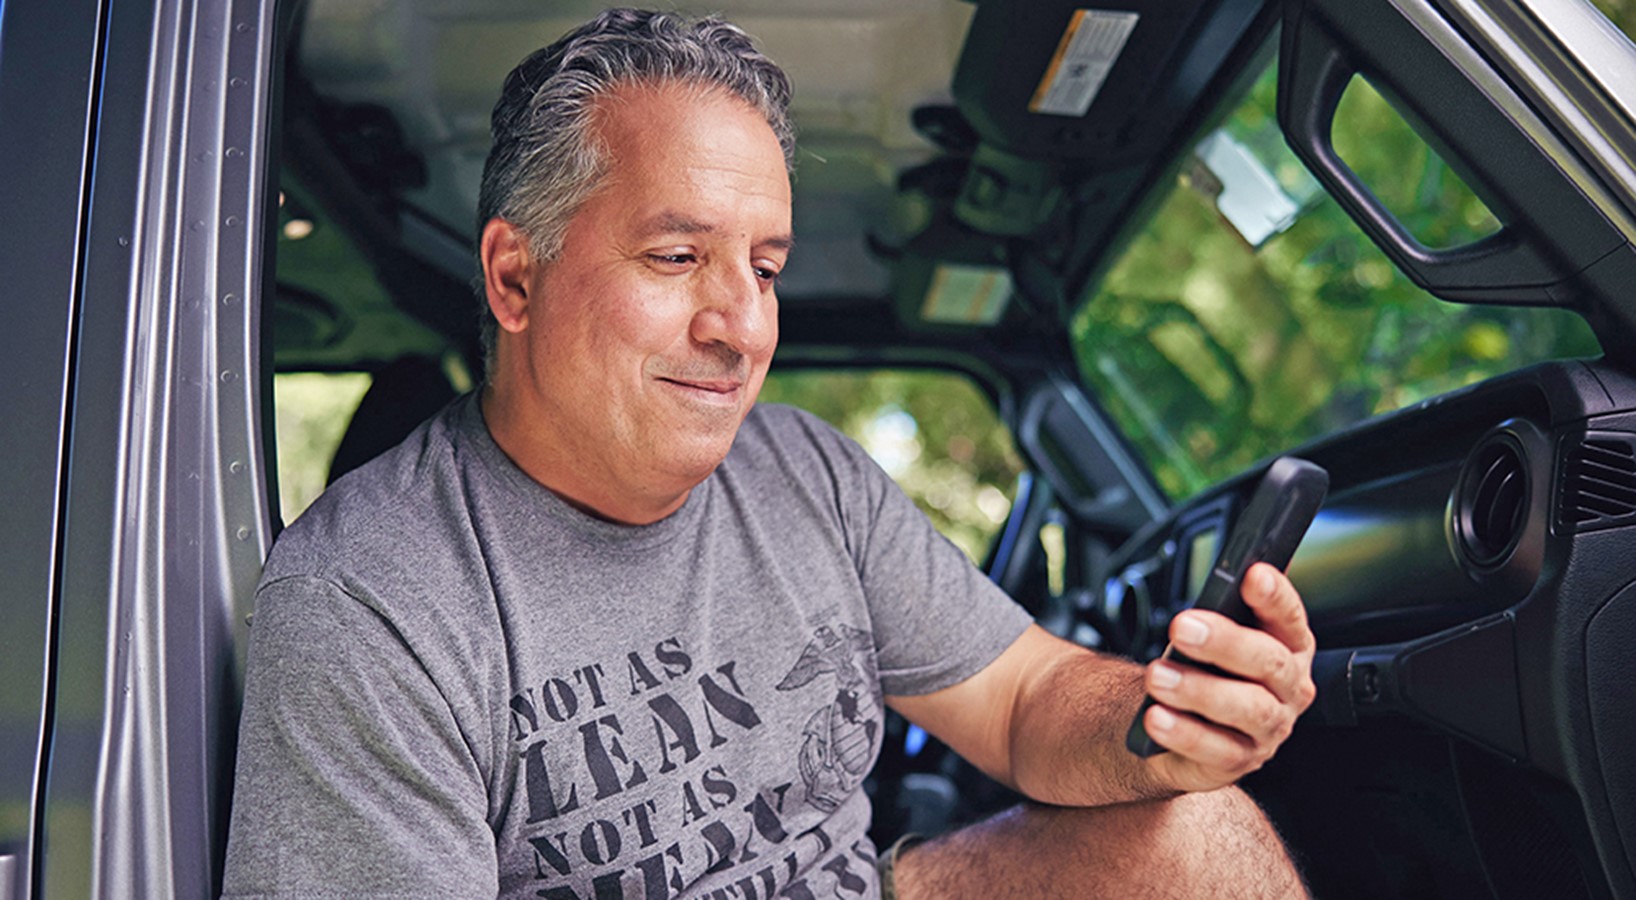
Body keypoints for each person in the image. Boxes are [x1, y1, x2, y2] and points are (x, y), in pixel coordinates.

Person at [223, 9, 1315, 898]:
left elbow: (1026, 700)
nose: (739, 325)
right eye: (676, 255)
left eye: (764, 267)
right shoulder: (367, 602)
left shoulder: (804, 473)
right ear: (516, 278)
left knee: (1200, 837)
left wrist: (1156, 722)